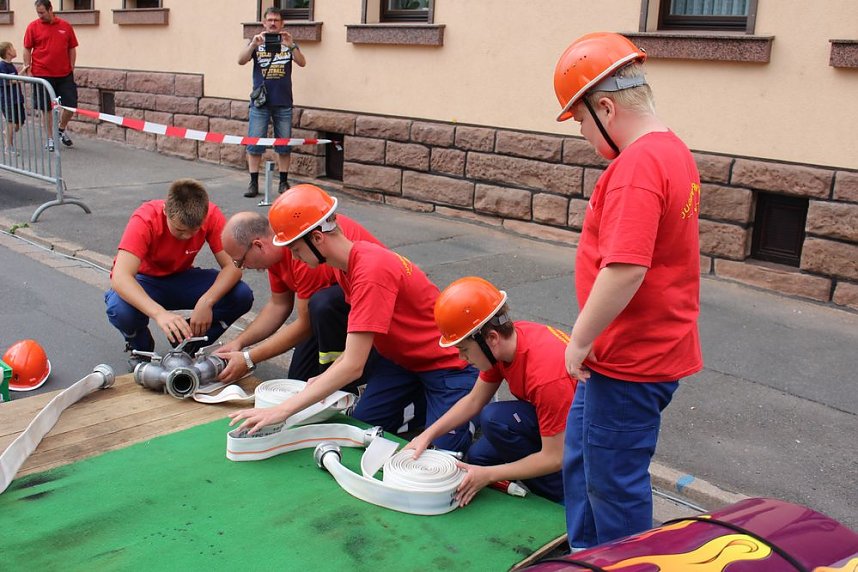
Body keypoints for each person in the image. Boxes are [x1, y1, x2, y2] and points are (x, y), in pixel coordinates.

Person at [553, 32, 703, 549]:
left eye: (580, 122)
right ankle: (588, 554)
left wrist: (578, 339)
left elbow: (625, 269)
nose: (583, 136)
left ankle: (624, 561)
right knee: (585, 460)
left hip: (629, 360)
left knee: (614, 484)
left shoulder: (636, 166)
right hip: (636, 353)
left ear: (607, 108)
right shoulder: (673, 150)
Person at [229, 185, 478, 454]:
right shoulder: (343, 266)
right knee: (360, 427)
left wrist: (282, 410)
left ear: (317, 238)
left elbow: (352, 366)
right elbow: (357, 343)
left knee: (444, 455)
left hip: (447, 367)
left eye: (294, 248)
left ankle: (466, 403)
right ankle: (424, 403)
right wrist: (325, 380)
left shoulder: (369, 270)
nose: (292, 255)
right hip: (402, 363)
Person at [405, 276, 575, 507]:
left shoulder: (546, 375)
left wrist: (490, 475)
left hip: (586, 442)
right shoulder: (505, 348)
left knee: (495, 420)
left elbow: (555, 457)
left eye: (464, 349)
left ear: (491, 338)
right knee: (478, 458)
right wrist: (426, 435)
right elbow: (474, 400)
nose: (461, 358)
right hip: (555, 420)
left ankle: (564, 499)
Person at [215, 207, 383, 385]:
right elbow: (278, 305)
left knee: (323, 304)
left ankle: (349, 384)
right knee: (296, 382)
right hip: (325, 313)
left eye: (240, 261)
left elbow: (305, 324)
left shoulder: (303, 252)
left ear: (258, 245)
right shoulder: (275, 249)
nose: (242, 267)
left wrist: (249, 358)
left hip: (372, 304)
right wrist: (239, 343)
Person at [105, 178, 254, 370]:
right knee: (120, 309)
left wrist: (206, 301)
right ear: (166, 210)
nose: (187, 237)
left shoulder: (211, 214)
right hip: (146, 281)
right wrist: (160, 314)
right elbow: (121, 277)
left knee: (241, 295)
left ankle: (188, 342)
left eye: (194, 231)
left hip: (182, 278)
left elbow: (233, 266)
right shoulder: (145, 218)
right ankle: (141, 349)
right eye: (180, 230)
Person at [238, 6, 306, 198]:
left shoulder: (288, 43)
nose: (273, 23)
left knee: (284, 145)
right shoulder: (257, 43)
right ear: (264, 23)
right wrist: (252, 44)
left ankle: (283, 181)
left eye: (277, 20)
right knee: (254, 144)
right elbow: (240, 60)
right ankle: (253, 183)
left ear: (282, 23)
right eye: (270, 20)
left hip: (283, 101)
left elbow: (302, 62)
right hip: (260, 103)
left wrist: (291, 45)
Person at [22, 0, 78, 151]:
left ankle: (60, 129)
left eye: (42, 12)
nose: (40, 15)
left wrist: (71, 66)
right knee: (46, 108)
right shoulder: (33, 27)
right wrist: (28, 69)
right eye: (38, 13)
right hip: (42, 74)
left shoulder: (65, 26)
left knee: (71, 106)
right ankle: (50, 138)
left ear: (50, 9)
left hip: (64, 73)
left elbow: (72, 47)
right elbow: (27, 48)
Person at [0, 42, 26, 156]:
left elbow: (14, 78)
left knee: (20, 122)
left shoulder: (11, 65)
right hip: (8, 99)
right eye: (13, 48)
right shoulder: (2, 66)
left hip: (17, 98)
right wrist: (18, 78)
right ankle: (8, 147)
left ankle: (7, 132)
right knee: (10, 121)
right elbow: (7, 81)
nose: (15, 50)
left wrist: (23, 71)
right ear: (8, 52)